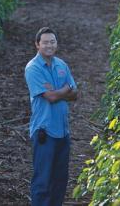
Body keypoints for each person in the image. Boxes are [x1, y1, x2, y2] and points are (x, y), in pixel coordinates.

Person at [25, 27, 77, 206]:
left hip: (63, 131)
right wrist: (64, 90)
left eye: (52, 42)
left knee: (60, 180)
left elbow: (75, 94)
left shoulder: (62, 65)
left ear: (56, 44)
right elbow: (51, 97)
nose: (49, 45)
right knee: (43, 181)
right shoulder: (33, 68)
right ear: (37, 45)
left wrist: (58, 91)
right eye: (45, 42)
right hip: (45, 132)